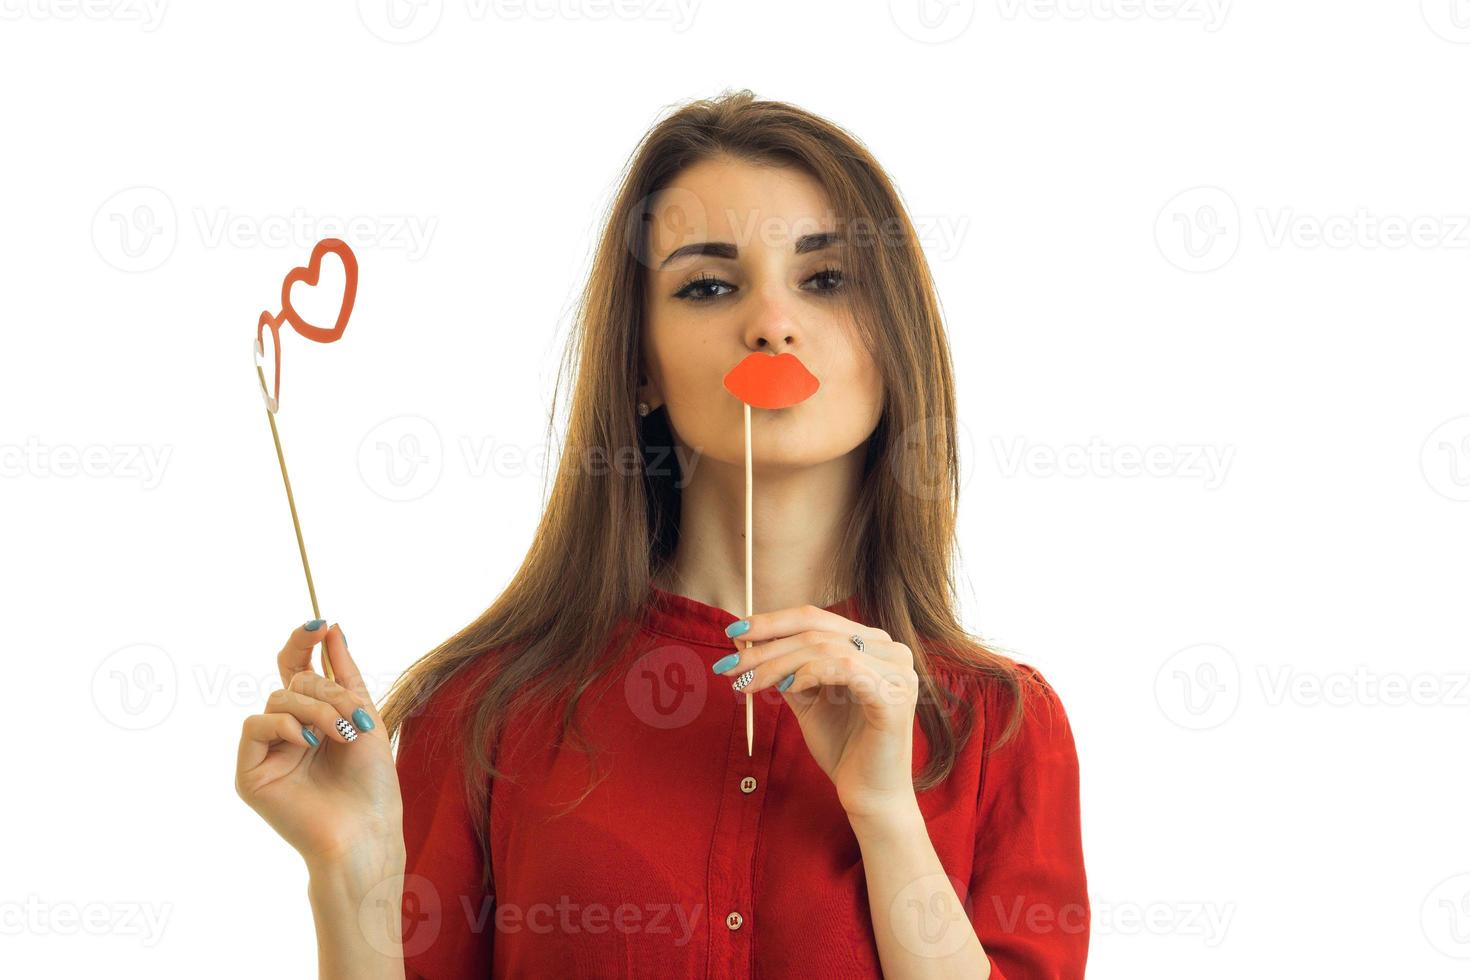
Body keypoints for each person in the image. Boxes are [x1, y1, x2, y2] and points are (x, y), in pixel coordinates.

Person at [235, 89, 1089, 979]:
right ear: (641, 362)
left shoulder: (1002, 729)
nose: (769, 322)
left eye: (826, 278)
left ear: (895, 337)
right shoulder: (483, 713)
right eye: (709, 286)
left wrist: (884, 809)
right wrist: (355, 868)